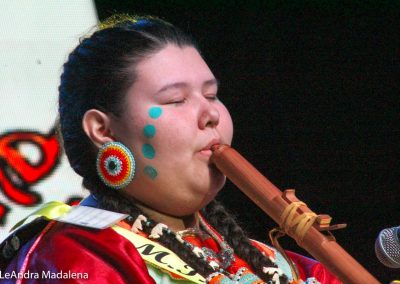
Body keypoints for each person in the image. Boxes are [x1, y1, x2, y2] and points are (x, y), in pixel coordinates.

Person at [1, 15, 340, 284]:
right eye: (176, 100)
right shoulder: (72, 258)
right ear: (103, 130)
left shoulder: (291, 270)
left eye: (211, 95)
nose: (211, 114)